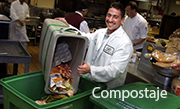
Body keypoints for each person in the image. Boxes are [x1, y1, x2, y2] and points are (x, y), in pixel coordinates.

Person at [55, 2, 133, 89]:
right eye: (109, 15)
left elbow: (114, 70)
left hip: (107, 89)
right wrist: (68, 26)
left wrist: (91, 70)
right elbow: (84, 37)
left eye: (115, 17)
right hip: (91, 82)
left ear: (122, 20)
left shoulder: (124, 43)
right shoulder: (100, 32)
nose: (110, 20)